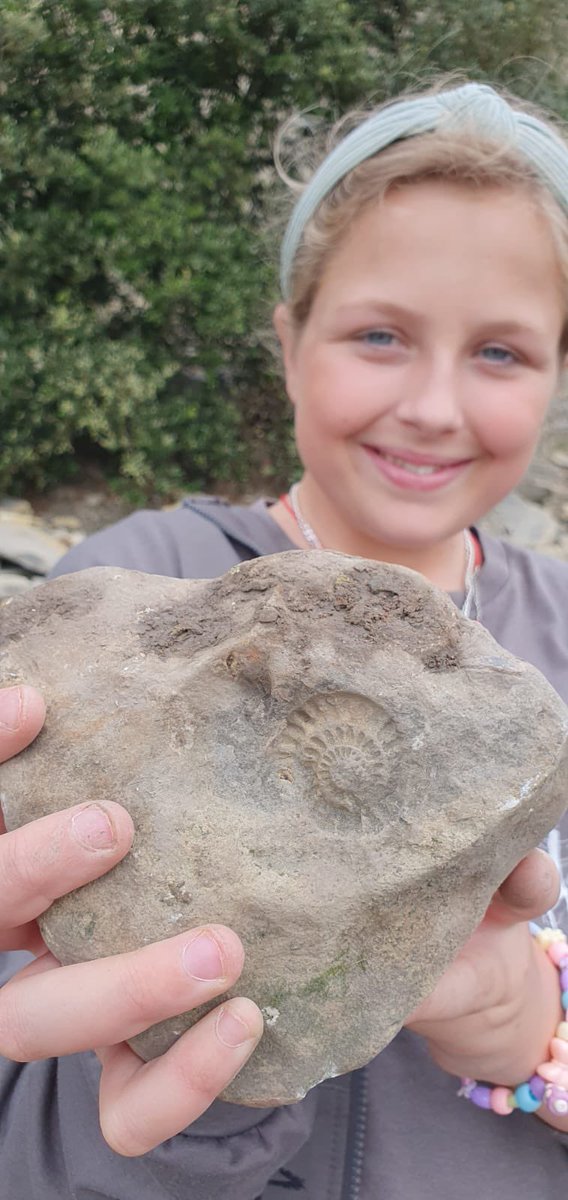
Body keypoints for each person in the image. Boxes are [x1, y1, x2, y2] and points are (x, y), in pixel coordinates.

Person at [1, 79, 568, 1199]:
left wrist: (530, 1032)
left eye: (500, 354)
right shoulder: (132, 596)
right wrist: (191, 1094)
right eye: (378, 336)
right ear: (288, 337)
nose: (433, 406)